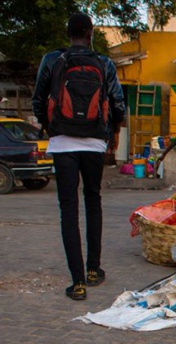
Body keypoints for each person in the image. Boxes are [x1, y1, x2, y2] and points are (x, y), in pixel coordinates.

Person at [32, 12, 126, 301]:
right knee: (93, 201)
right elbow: (119, 104)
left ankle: (78, 283)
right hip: (94, 144)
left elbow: (38, 100)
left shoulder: (52, 60)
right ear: (90, 33)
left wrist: (53, 127)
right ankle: (95, 269)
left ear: (68, 32)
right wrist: (110, 135)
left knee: (68, 210)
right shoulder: (104, 63)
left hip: (62, 144)